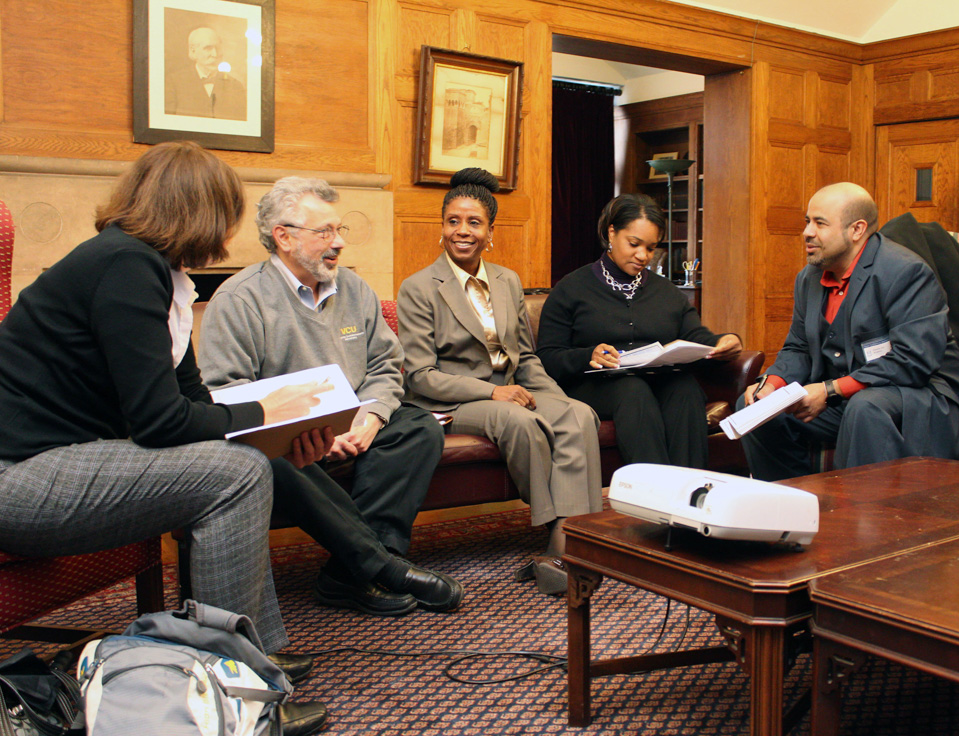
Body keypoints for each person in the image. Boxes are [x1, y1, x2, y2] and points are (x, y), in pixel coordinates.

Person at [0, 141, 326, 736]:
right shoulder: (124, 266)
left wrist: (277, 433)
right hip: (19, 478)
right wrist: (263, 410)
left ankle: (254, 652)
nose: (228, 228)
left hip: (63, 460)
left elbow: (193, 404)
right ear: (200, 210)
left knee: (246, 462)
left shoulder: (162, 276)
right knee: (237, 474)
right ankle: (233, 688)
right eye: (226, 211)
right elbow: (159, 422)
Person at [199, 176, 462, 615]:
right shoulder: (240, 298)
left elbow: (383, 367)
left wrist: (371, 419)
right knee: (263, 455)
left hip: (355, 421)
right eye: (325, 232)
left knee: (417, 427)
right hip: (285, 434)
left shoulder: (355, 290)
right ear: (283, 237)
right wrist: (304, 428)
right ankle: (380, 566)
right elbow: (226, 392)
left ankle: (351, 571)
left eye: (339, 231)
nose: (338, 243)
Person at [397, 168, 603, 596]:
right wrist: (493, 391)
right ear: (442, 228)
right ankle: (563, 532)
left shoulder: (507, 281)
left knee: (578, 415)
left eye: (474, 223)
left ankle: (562, 544)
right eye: (453, 221)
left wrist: (556, 401)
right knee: (520, 422)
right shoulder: (418, 288)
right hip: (453, 400)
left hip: (512, 387)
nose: (462, 231)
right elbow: (420, 375)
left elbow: (525, 357)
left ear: (490, 231)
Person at [738, 182, 959, 481]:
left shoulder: (905, 272)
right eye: (807, 221)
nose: (807, 232)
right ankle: (792, 501)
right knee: (754, 411)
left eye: (820, 223)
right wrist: (772, 385)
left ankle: (862, 520)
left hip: (919, 395)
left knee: (865, 407)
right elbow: (799, 347)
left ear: (857, 229)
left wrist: (829, 390)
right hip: (845, 398)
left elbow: (913, 362)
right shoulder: (809, 278)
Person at [536, 193, 743, 469]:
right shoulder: (571, 289)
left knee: (685, 389)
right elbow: (548, 357)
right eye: (634, 244)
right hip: (594, 384)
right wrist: (590, 354)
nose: (643, 256)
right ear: (612, 232)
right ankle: (654, 494)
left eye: (651, 248)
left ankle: (689, 490)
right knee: (632, 391)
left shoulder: (666, 291)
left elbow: (696, 337)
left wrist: (725, 342)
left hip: (655, 378)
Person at [165, 26, 247, 120]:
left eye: (218, 48)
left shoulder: (236, 86)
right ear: (193, 51)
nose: (215, 54)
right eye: (208, 48)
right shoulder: (173, 83)